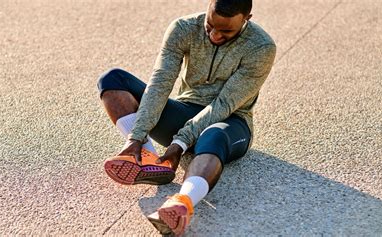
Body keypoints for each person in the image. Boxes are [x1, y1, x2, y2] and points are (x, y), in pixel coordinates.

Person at [97, 0, 276, 235]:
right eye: (210, 25)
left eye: (226, 31)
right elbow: (160, 83)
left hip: (230, 121)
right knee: (113, 79)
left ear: (246, 19)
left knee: (213, 135)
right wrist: (136, 136)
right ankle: (148, 159)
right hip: (185, 110)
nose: (214, 35)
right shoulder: (183, 28)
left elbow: (224, 104)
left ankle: (183, 201)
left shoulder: (261, 47)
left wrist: (180, 142)